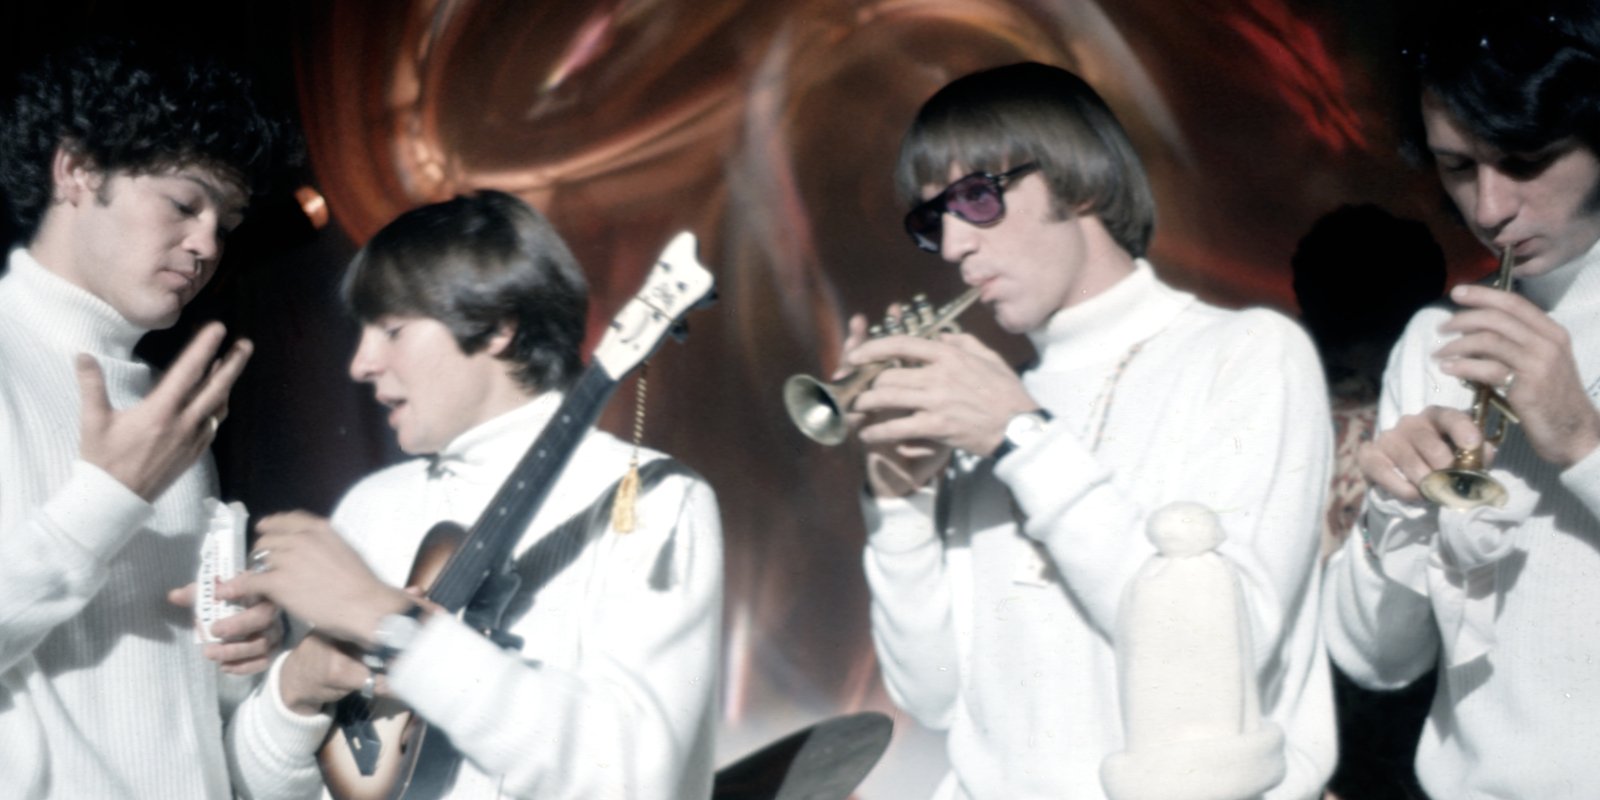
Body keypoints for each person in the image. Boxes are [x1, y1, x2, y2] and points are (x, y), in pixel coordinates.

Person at [844, 61, 1334, 799]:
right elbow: (935, 696)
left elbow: (1223, 656)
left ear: (1086, 183)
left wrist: (1022, 440)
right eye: (930, 220)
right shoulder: (996, 407)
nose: (952, 248)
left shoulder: (1247, 354)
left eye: (975, 198)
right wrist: (899, 506)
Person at [218, 190, 723, 799]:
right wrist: (292, 691)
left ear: (497, 326)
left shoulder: (656, 501)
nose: (360, 363)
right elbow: (259, 791)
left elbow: (641, 780)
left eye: (392, 329)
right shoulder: (371, 506)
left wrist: (395, 626)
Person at [0, 39, 301, 798]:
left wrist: (251, 650)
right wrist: (104, 500)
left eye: (224, 223)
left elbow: (180, 717)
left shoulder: (164, 408)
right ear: (76, 170)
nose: (206, 245)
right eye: (183, 202)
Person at [1323, 2, 1600, 797]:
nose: (1488, 209)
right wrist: (1393, 512)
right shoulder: (1436, 337)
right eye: (1456, 166)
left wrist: (1583, 442)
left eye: (1525, 158)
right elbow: (1376, 660)